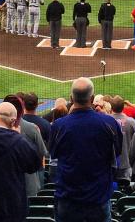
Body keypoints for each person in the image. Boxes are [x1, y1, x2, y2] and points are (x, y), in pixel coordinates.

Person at [49, 77, 122, 222]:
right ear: (92, 98)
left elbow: (53, 153)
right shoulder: (109, 123)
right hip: (98, 198)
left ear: (71, 98)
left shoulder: (59, 125)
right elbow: (117, 151)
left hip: (68, 198)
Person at [110, 95, 135, 181]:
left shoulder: (106, 121)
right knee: (127, 190)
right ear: (123, 107)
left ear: (111, 106)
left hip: (110, 163)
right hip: (127, 163)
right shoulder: (131, 121)